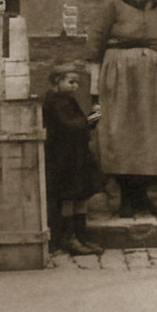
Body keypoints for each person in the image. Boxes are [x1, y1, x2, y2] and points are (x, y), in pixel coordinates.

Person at [86, 0, 157, 217]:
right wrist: (95, 86)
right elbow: (94, 45)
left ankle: (142, 195)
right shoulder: (112, 6)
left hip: (154, 83)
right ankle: (126, 197)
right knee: (121, 135)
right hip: (119, 81)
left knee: (152, 137)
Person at [42, 64, 105, 255]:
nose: (75, 86)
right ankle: (69, 238)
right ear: (57, 82)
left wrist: (91, 120)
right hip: (63, 157)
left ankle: (82, 236)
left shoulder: (67, 100)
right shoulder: (54, 102)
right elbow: (67, 126)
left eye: (76, 82)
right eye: (71, 82)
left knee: (81, 195)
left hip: (77, 154)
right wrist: (87, 121)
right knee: (69, 196)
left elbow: (77, 126)